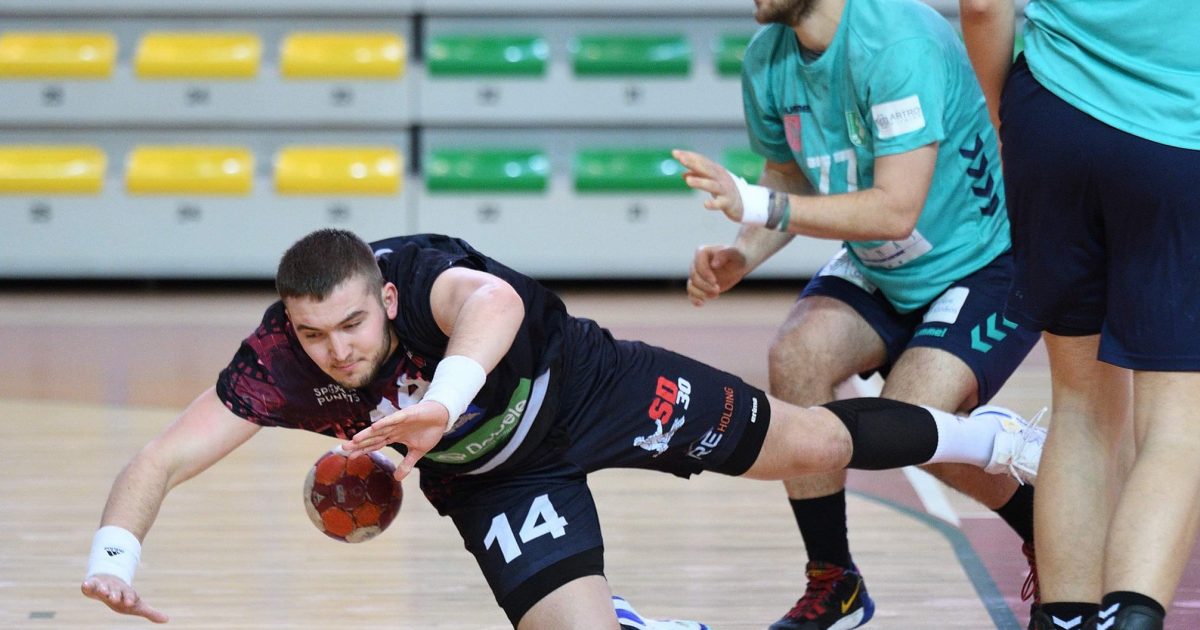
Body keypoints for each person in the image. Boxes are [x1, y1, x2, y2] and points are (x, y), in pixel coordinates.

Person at [80, 229, 1044, 628]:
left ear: (384, 299)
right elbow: (158, 459)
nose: (336, 351)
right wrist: (115, 558)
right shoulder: (278, 361)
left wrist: (443, 399)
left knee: (818, 445)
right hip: (496, 480)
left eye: (353, 326)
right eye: (313, 335)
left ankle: (990, 442)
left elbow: (493, 304)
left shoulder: (421, 274)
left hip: (592, 387)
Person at [672, 0, 1043, 628]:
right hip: (880, 265)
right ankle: (834, 582)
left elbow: (894, 210)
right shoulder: (767, 60)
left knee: (909, 426)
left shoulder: (899, 42)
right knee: (797, 355)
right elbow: (787, 175)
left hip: (984, 264)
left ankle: (1046, 525)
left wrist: (757, 204)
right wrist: (742, 255)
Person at [958, 1, 1200, 629]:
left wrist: (1010, 116)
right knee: (1177, 421)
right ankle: (1131, 618)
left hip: (1052, 119)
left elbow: (981, 7)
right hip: (1179, 135)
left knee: (1080, 405)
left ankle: (1063, 619)